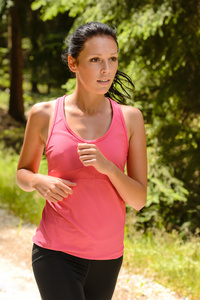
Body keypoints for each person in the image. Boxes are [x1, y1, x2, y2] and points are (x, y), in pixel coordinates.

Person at [17, 22, 147, 300]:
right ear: (73, 63)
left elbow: (138, 199)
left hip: (108, 257)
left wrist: (109, 168)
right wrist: (38, 179)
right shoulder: (45, 114)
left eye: (112, 59)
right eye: (96, 60)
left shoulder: (130, 118)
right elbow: (23, 173)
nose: (106, 69)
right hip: (55, 252)